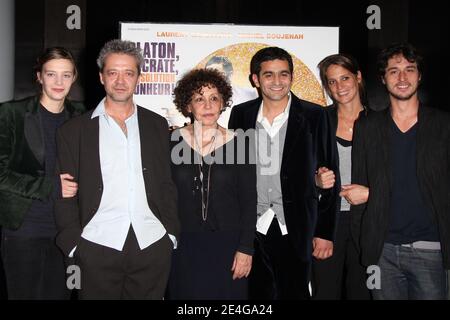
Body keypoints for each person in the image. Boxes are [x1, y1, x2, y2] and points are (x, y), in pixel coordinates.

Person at [55, 39, 179, 299]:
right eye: (113, 72)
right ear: (101, 77)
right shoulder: (74, 131)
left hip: (152, 243)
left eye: (128, 73)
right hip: (96, 244)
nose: (120, 81)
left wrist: (170, 235)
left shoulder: (157, 125)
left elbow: (166, 184)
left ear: (138, 78)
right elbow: (65, 192)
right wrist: (73, 244)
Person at [228, 46, 338, 299]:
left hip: (296, 225)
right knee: (254, 296)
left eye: (283, 74)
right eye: (269, 75)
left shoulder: (315, 115)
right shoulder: (241, 114)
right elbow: (234, 170)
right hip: (250, 226)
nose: (277, 82)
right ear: (256, 79)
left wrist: (324, 232)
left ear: (291, 77)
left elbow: (330, 175)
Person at [351, 43, 450, 300]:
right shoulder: (367, 127)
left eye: (410, 69)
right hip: (382, 250)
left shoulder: (443, 125)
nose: (402, 78)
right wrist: (366, 244)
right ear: (383, 79)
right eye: (394, 71)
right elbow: (359, 190)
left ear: (420, 76)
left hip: (432, 249)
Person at [0, 47, 84, 299]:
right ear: (39, 76)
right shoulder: (12, 114)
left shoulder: (82, 116)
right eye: (51, 74)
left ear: (74, 78)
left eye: (66, 75)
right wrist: (50, 186)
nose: (59, 82)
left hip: (67, 229)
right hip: (25, 230)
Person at [167, 68, 256, 299]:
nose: (207, 105)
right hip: (182, 245)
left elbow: (249, 201)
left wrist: (246, 248)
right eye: (199, 99)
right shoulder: (170, 142)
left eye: (213, 98)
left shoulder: (241, 143)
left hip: (229, 247)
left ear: (222, 103)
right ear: (188, 106)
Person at [311, 54, 371, 300]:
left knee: (363, 293)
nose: (339, 86)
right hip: (328, 222)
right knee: (324, 292)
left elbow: (393, 176)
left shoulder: (379, 121)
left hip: (368, 222)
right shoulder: (318, 121)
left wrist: (370, 192)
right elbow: (296, 173)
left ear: (357, 77)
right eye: (332, 81)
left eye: (345, 78)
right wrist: (315, 181)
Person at [205, 56, 258, 128]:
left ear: (230, 74)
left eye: (217, 74)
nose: (212, 79)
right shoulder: (199, 100)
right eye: (208, 75)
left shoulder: (250, 94)